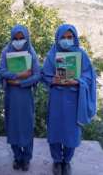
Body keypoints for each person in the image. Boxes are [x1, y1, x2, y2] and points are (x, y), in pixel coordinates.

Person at [42, 24, 96, 175]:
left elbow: (89, 76)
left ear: (74, 38)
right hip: (57, 100)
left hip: (74, 100)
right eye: (63, 37)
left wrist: (77, 81)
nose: (66, 40)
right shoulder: (52, 55)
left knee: (71, 132)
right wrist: (54, 80)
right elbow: (45, 75)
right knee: (55, 130)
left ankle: (67, 161)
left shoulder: (81, 55)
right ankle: (57, 161)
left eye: (69, 37)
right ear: (57, 38)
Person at [0, 25, 40, 171]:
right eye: (15, 38)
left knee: (27, 127)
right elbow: (2, 71)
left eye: (21, 38)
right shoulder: (6, 51)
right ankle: (17, 157)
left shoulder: (31, 52)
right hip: (11, 97)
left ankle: (27, 158)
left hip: (25, 97)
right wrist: (19, 75)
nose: (18, 41)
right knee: (13, 127)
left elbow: (37, 75)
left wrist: (20, 82)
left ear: (26, 38)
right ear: (11, 38)